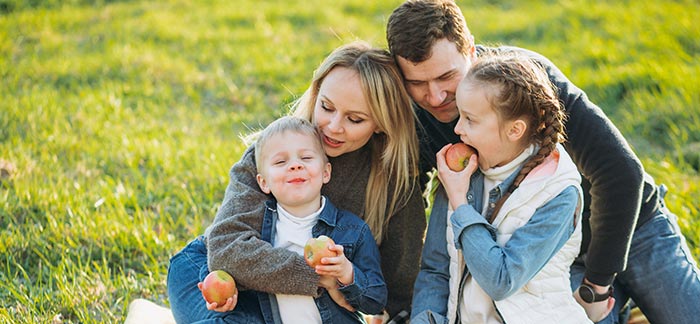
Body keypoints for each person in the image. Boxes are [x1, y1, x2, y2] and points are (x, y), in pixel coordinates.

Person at [386, 1, 700, 323]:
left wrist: (598, 284)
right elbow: (407, 210)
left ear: (470, 50)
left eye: (446, 76)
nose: (435, 96)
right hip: (547, 258)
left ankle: (619, 296)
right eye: (417, 83)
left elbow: (620, 173)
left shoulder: (521, 82)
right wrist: (403, 306)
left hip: (633, 227)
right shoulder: (413, 118)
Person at [167, 41, 425, 323]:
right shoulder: (274, 151)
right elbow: (227, 249)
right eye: (326, 107)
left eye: (354, 119)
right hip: (209, 272)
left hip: (294, 303)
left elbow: (399, 280)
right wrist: (321, 279)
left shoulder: (393, 183)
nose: (333, 125)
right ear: (316, 95)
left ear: (380, 123)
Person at [412, 52, 591, 324]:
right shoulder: (462, 171)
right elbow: (436, 269)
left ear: (515, 130)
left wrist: (460, 204)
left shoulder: (559, 193)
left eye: (470, 120)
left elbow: (501, 280)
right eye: (460, 116)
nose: (458, 129)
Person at [239, 115, 388, 322]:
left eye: (306, 158)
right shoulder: (255, 229)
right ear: (264, 183)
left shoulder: (352, 230)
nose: (295, 166)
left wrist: (347, 273)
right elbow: (236, 270)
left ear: (326, 172)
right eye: (281, 161)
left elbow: (376, 301)